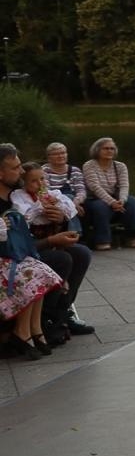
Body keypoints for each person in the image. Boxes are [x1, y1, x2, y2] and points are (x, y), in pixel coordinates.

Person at [0, 144, 67, 360]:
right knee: (37, 270)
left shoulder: (16, 193)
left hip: (18, 251)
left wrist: (59, 217)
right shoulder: (14, 198)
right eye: (15, 168)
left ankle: (37, 328)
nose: (21, 171)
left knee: (44, 268)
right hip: (8, 255)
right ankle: (24, 331)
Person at [16, 162, 95, 341]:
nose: (40, 184)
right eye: (34, 181)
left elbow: (68, 211)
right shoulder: (19, 197)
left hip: (48, 237)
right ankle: (47, 318)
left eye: (42, 179)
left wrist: (60, 215)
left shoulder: (52, 194)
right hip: (28, 245)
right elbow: (23, 220)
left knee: (81, 253)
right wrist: (39, 208)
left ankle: (63, 312)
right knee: (62, 258)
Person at [81, 137, 135, 250]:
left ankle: (133, 237)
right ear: (97, 150)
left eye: (112, 148)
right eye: (105, 148)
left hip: (116, 199)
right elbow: (95, 187)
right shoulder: (89, 165)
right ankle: (102, 240)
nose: (109, 151)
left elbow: (124, 186)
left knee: (132, 202)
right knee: (100, 206)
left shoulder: (120, 166)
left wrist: (122, 200)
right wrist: (112, 202)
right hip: (94, 199)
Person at [42, 142, 87, 233]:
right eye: (56, 154)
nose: (60, 156)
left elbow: (81, 191)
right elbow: (44, 190)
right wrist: (63, 201)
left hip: (74, 202)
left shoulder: (75, 171)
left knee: (72, 198)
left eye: (63, 153)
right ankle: (75, 233)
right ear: (49, 157)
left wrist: (74, 203)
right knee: (68, 197)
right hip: (52, 201)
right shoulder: (43, 170)